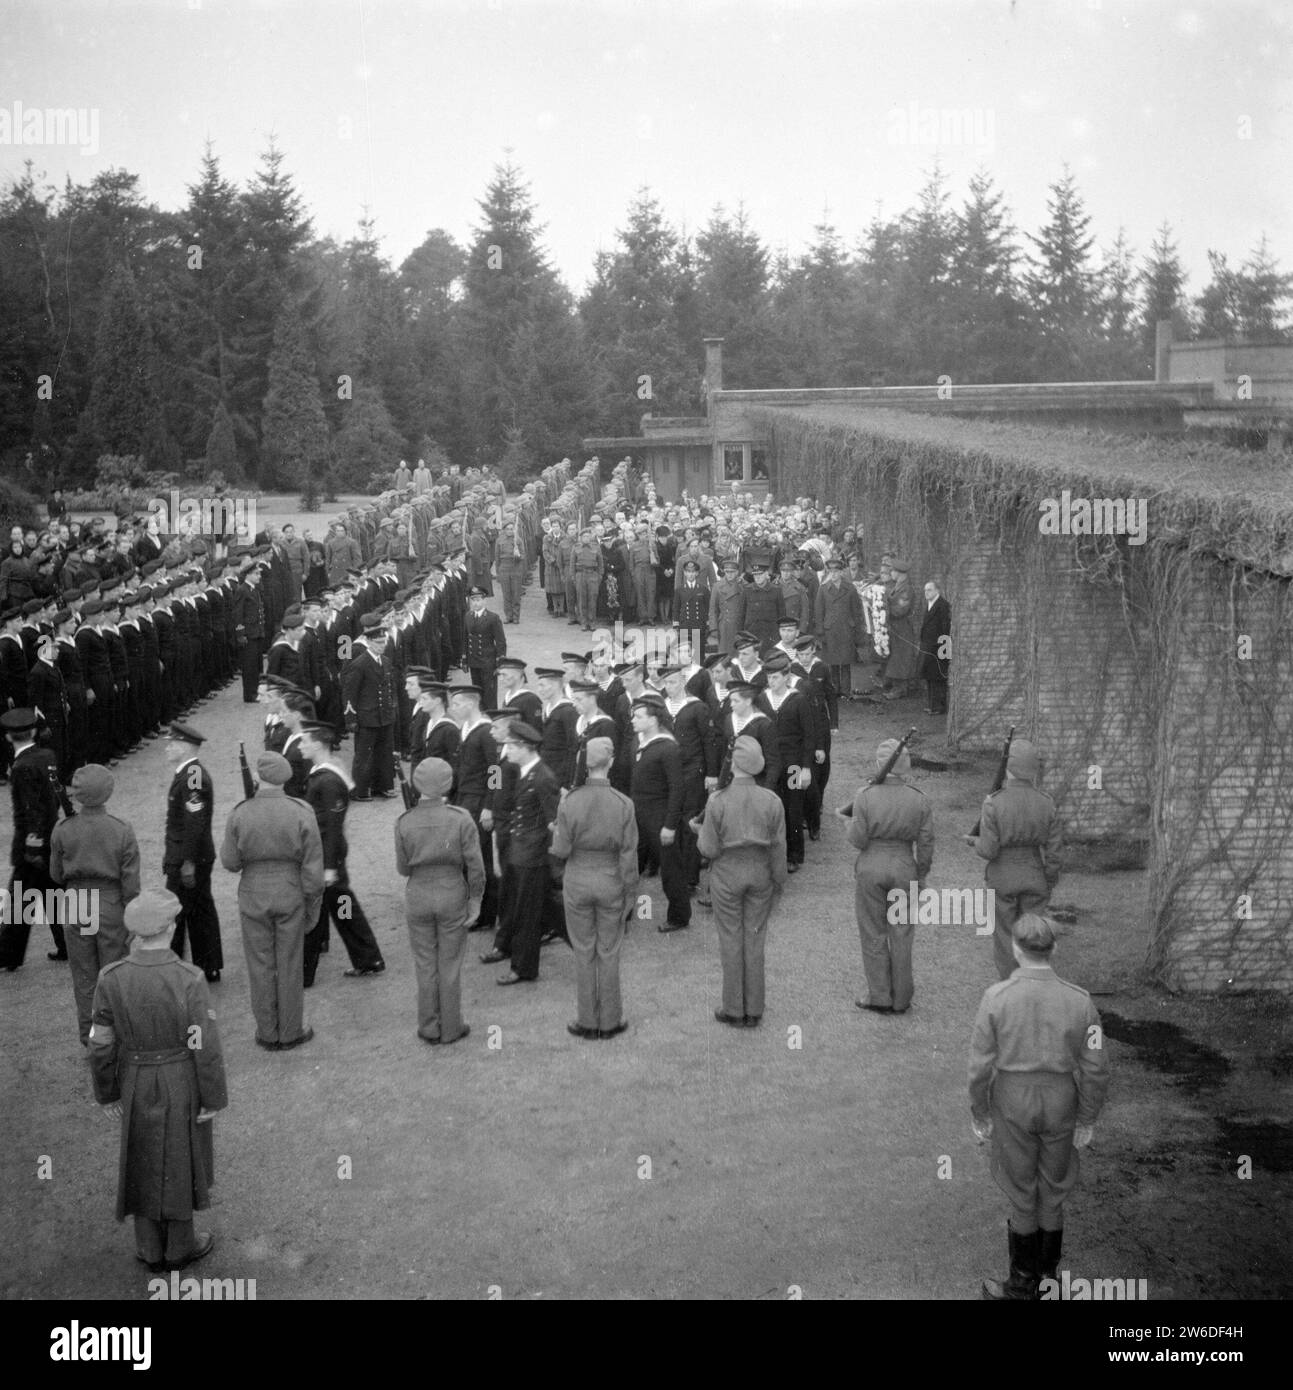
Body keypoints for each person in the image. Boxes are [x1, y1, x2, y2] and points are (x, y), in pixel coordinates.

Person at [968, 914, 1111, 1300]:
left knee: (1020, 1187)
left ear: (1015, 950)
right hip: (1062, 1099)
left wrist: (980, 1112)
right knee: (1053, 1187)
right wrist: (1087, 1116)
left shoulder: (995, 999)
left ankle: (1021, 1285)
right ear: (1055, 950)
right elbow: (1096, 1067)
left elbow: (979, 1067)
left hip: (1013, 1099)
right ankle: (1048, 1284)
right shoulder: (1080, 1001)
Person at [88, 888, 228, 1273]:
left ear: (135, 932)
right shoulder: (189, 977)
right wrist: (212, 1096)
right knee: (181, 1155)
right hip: (180, 1076)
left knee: (141, 1155)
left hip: (134, 1075)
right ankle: (180, 1245)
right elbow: (205, 1044)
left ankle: (149, 1247)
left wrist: (107, 1092)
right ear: (170, 926)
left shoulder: (110, 977)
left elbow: (101, 1042)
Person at [219, 750, 325, 1050]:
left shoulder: (241, 812)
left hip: (253, 892)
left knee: (260, 964)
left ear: (257, 777)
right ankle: (291, 1031)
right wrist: (311, 900)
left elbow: (229, 861)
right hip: (290, 890)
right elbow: (313, 867)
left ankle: (267, 1031)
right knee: (290, 963)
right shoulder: (301, 810)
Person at [694, 734, 786, 1028]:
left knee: (730, 940)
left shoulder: (717, 801)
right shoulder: (772, 800)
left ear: (732, 765)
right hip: (760, 874)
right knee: (755, 939)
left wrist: (698, 832)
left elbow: (708, 849)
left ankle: (734, 1007)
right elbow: (778, 848)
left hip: (727, 876)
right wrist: (778, 883)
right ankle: (755, 1008)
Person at [551, 735, 638, 1039]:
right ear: (611, 762)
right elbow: (629, 856)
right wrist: (631, 894)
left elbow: (560, 850)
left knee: (583, 950)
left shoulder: (570, 801)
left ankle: (588, 1020)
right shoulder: (623, 803)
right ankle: (610, 1020)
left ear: (585, 765)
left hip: (578, 879)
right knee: (609, 950)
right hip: (611, 879)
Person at [394, 756, 484, 1045]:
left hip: (418, 892)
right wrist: (476, 899)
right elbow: (476, 868)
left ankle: (429, 1027)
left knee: (425, 963)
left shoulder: (404, 821)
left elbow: (402, 868)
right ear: (448, 784)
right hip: (451, 892)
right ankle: (451, 1027)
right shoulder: (460, 818)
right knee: (450, 963)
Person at [50, 763, 141, 1045]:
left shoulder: (63, 829)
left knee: (84, 975)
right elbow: (130, 882)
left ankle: (90, 1035)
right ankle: (116, 1033)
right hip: (111, 904)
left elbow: (56, 875)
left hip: (76, 903)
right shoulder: (121, 829)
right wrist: (132, 917)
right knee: (113, 972)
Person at [845, 737, 934, 1015]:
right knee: (902, 933)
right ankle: (902, 998)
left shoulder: (865, 796)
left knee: (873, 931)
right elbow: (927, 843)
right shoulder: (919, 799)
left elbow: (858, 840)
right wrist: (920, 874)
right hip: (904, 866)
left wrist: (850, 824)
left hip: (871, 866)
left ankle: (880, 995)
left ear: (879, 765)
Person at [965, 738, 1063, 981]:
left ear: (1009, 768)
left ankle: (1010, 987)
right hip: (1035, 875)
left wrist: (973, 841)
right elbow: (1054, 852)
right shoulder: (1046, 803)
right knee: (1033, 937)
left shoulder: (994, 802)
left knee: (1005, 934)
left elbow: (988, 850)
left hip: (1002, 877)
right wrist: (1048, 881)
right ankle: (1032, 984)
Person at [298, 722, 386, 986]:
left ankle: (305, 974)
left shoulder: (328, 781)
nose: (301, 745)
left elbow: (333, 828)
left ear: (318, 744)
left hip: (326, 857)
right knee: (341, 907)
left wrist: (328, 867)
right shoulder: (323, 775)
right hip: (326, 856)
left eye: (304, 741)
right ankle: (368, 958)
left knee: (322, 910)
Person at [493, 721, 563, 986]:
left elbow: (553, 821)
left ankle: (522, 967)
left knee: (527, 913)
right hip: (518, 849)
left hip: (532, 855)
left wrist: (550, 859)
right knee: (522, 906)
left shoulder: (542, 777)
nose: (506, 750)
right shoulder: (521, 770)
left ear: (525, 746)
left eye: (510, 745)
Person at [0, 706, 68, 969]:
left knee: (19, 902)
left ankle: (9, 955)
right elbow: (55, 795)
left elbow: (32, 811)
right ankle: (66, 945)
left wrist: (31, 848)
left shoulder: (21, 767)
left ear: (9, 736)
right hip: (52, 839)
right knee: (53, 896)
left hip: (33, 847)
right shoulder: (46, 755)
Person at [162, 721, 223, 982]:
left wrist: (187, 861)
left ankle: (173, 966)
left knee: (177, 911)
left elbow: (194, 821)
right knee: (200, 909)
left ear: (186, 747)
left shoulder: (193, 775)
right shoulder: (189, 773)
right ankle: (208, 964)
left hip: (190, 857)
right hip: (194, 855)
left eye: (172, 743)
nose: (167, 748)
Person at [630, 694, 690, 933]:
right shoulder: (639, 741)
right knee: (631, 866)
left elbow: (677, 788)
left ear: (653, 720)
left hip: (659, 818)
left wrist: (670, 825)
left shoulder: (667, 747)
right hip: (639, 815)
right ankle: (628, 912)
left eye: (638, 716)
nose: (633, 720)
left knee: (670, 870)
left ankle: (679, 916)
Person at [342, 612, 398, 799]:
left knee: (384, 753)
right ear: (370, 643)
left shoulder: (386, 662)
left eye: (384, 642)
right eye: (378, 643)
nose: (382, 646)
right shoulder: (359, 664)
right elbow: (350, 693)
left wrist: (392, 708)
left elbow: (391, 687)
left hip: (384, 715)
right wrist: (350, 718)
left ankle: (382, 786)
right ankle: (360, 790)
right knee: (364, 756)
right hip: (367, 716)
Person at [814, 555, 864, 699]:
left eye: (836, 572)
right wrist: (820, 631)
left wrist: (857, 629)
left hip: (846, 629)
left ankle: (846, 692)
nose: (834, 575)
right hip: (830, 630)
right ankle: (835, 691)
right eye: (831, 572)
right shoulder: (823, 589)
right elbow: (819, 612)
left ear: (842, 572)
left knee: (846, 661)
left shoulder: (850, 588)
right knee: (833, 662)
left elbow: (856, 610)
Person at [463, 586, 506, 708]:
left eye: (478, 600)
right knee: (477, 693)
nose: (475, 603)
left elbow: (501, 642)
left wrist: (500, 662)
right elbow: (465, 639)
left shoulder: (493, 618)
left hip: (488, 662)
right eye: (473, 600)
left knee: (490, 694)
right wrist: (465, 659)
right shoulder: (468, 616)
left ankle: (491, 718)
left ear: (484, 601)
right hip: (474, 661)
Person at [919, 579, 951, 715]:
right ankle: (932, 705)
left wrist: (943, 648)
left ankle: (939, 706)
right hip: (928, 646)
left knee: (938, 677)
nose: (926, 592)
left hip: (938, 647)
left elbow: (945, 628)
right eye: (925, 590)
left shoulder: (942, 606)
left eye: (929, 590)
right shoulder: (928, 604)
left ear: (937, 590)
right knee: (930, 676)